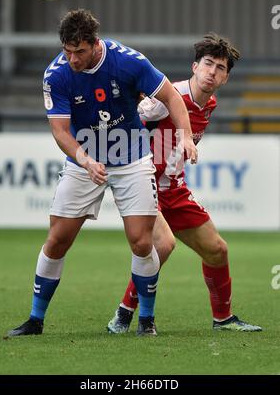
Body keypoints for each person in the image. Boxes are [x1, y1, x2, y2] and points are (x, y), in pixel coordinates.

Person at [8, 8, 197, 337]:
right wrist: (84, 160)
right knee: (57, 240)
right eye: (67, 51)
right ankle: (35, 320)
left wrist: (186, 137)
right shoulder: (56, 74)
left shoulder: (128, 61)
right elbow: (60, 131)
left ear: (95, 45)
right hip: (85, 162)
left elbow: (171, 97)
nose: (72, 59)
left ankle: (146, 321)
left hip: (133, 158)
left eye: (79, 51)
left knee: (141, 242)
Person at [107, 33, 262, 333]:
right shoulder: (168, 99)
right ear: (194, 66)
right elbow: (127, 123)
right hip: (144, 184)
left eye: (220, 68)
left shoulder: (210, 104)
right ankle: (124, 315)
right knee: (163, 246)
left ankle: (223, 319)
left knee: (218, 250)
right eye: (207, 64)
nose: (212, 72)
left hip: (174, 189)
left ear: (226, 78)